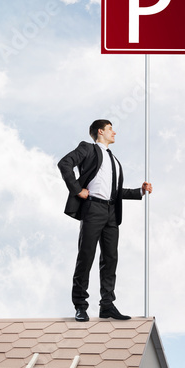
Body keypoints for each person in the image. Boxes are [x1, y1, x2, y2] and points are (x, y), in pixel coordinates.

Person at [58, 119, 152, 322]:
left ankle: (107, 305)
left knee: (110, 259)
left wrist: (140, 191)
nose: (114, 132)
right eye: (111, 129)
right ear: (100, 131)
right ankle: (81, 306)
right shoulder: (88, 149)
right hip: (93, 208)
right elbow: (64, 163)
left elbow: (116, 191)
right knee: (86, 256)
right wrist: (77, 189)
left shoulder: (114, 160)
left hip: (111, 212)